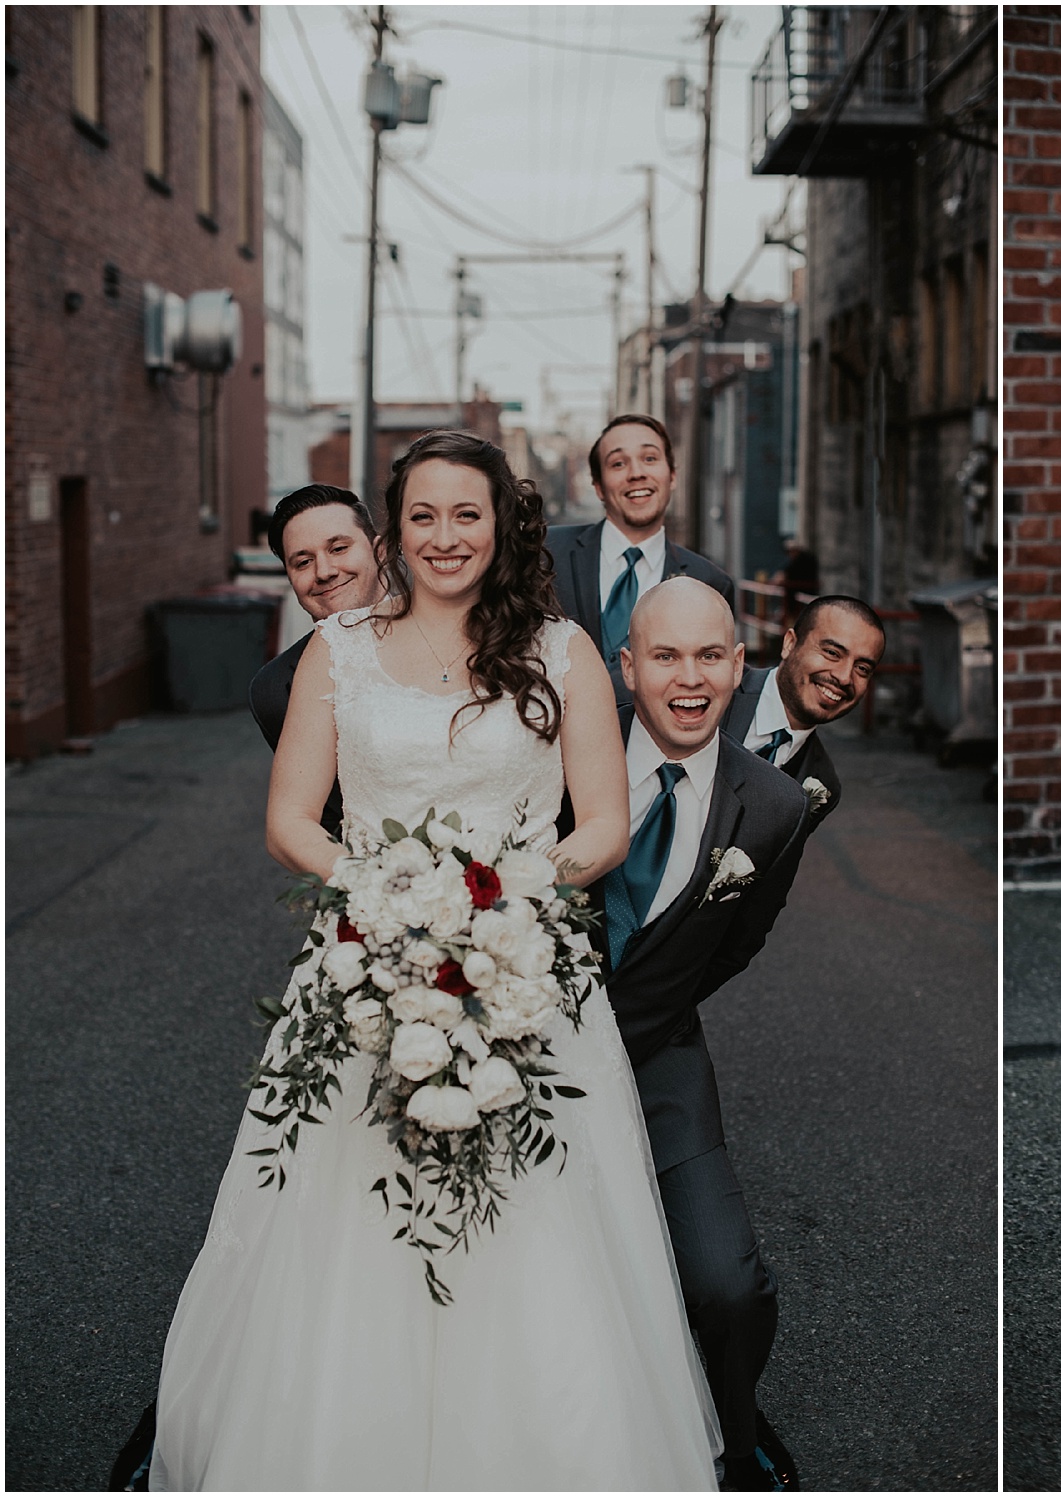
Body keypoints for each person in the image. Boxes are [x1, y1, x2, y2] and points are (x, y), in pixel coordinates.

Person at [151, 431, 721, 1489]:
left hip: (521, 968)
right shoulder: (339, 649)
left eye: (467, 514)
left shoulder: (562, 651)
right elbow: (291, 823)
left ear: (503, 523)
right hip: (366, 965)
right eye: (423, 516)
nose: (445, 536)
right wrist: (392, 901)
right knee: (347, 1225)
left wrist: (499, 907)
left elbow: (601, 824)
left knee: (536, 1228)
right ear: (392, 532)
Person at [603, 576, 811, 1491]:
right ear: (627, 668)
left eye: (708, 656)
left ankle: (733, 1435)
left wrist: (648, 1012)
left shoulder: (775, 806)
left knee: (730, 1285)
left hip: (657, 1057)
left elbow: (736, 944)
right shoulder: (561, 752)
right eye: (665, 656)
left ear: (738, 666)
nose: (688, 679)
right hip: (515, 1054)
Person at [547, 413, 735, 705]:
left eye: (649, 458)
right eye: (618, 463)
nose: (636, 473)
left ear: (672, 475)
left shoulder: (710, 582)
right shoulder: (544, 552)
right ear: (598, 486)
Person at [247, 484, 388, 837]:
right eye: (303, 562)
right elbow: (322, 822)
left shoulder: (444, 628)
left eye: (338, 548)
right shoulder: (275, 689)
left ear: (380, 551)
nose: (324, 571)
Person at [719, 594, 887, 833]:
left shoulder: (823, 785)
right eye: (832, 653)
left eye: (862, 668)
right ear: (789, 644)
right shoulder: (720, 690)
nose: (844, 677)